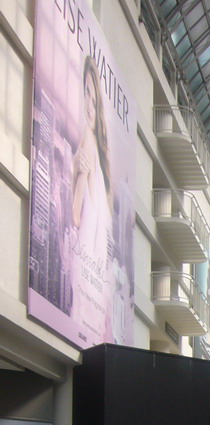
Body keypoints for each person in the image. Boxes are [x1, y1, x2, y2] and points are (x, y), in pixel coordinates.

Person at [71, 55, 112, 343]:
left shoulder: (96, 153)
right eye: (86, 92)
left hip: (91, 284)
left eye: (94, 99)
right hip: (89, 282)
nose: (89, 104)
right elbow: (76, 216)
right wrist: (80, 172)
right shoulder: (88, 143)